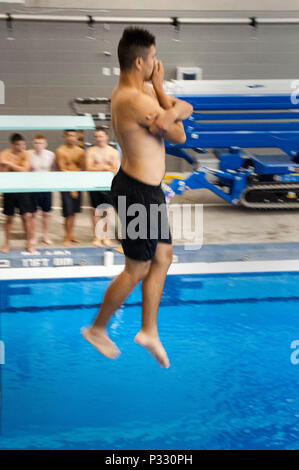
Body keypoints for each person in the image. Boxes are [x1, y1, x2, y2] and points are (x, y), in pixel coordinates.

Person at [82, 27, 193, 368]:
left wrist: (162, 92)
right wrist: (168, 107)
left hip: (149, 192)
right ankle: (98, 328)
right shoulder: (133, 99)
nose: (157, 64)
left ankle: (149, 331)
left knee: (164, 256)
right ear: (141, 60)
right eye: (155, 59)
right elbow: (178, 134)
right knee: (136, 268)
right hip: (136, 193)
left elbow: (183, 111)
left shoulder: (143, 90)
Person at [0, 133, 35, 253]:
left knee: (26, 217)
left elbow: (25, 170)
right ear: (13, 145)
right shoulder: (4, 154)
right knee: (9, 218)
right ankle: (7, 243)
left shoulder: (26, 154)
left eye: (23, 144)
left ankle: (29, 242)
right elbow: (3, 172)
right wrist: (16, 167)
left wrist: (10, 165)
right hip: (9, 190)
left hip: (23, 189)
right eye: (19, 145)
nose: (22, 147)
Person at [85, 128, 120, 247]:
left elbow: (114, 170)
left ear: (106, 137)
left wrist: (98, 166)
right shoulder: (90, 151)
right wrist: (105, 167)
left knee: (108, 212)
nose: (98, 139)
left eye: (101, 136)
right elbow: (89, 168)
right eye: (96, 136)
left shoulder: (113, 152)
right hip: (94, 184)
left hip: (108, 185)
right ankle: (97, 237)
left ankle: (106, 236)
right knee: (95, 212)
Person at [55, 130, 85, 247]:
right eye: (69, 135)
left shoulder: (81, 151)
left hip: (77, 183)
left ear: (77, 137)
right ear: (65, 137)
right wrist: (71, 187)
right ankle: (67, 236)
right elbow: (62, 169)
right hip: (66, 184)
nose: (71, 138)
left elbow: (83, 168)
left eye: (74, 135)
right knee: (68, 213)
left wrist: (76, 186)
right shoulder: (61, 151)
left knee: (74, 212)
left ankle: (71, 234)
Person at [28, 134, 55, 247]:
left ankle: (45, 235)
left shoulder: (51, 155)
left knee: (46, 214)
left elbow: (54, 170)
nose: (38, 145)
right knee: (33, 214)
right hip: (33, 188)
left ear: (45, 144)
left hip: (46, 188)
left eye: (40, 143)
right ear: (33, 143)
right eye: (36, 143)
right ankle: (33, 236)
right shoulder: (28, 154)